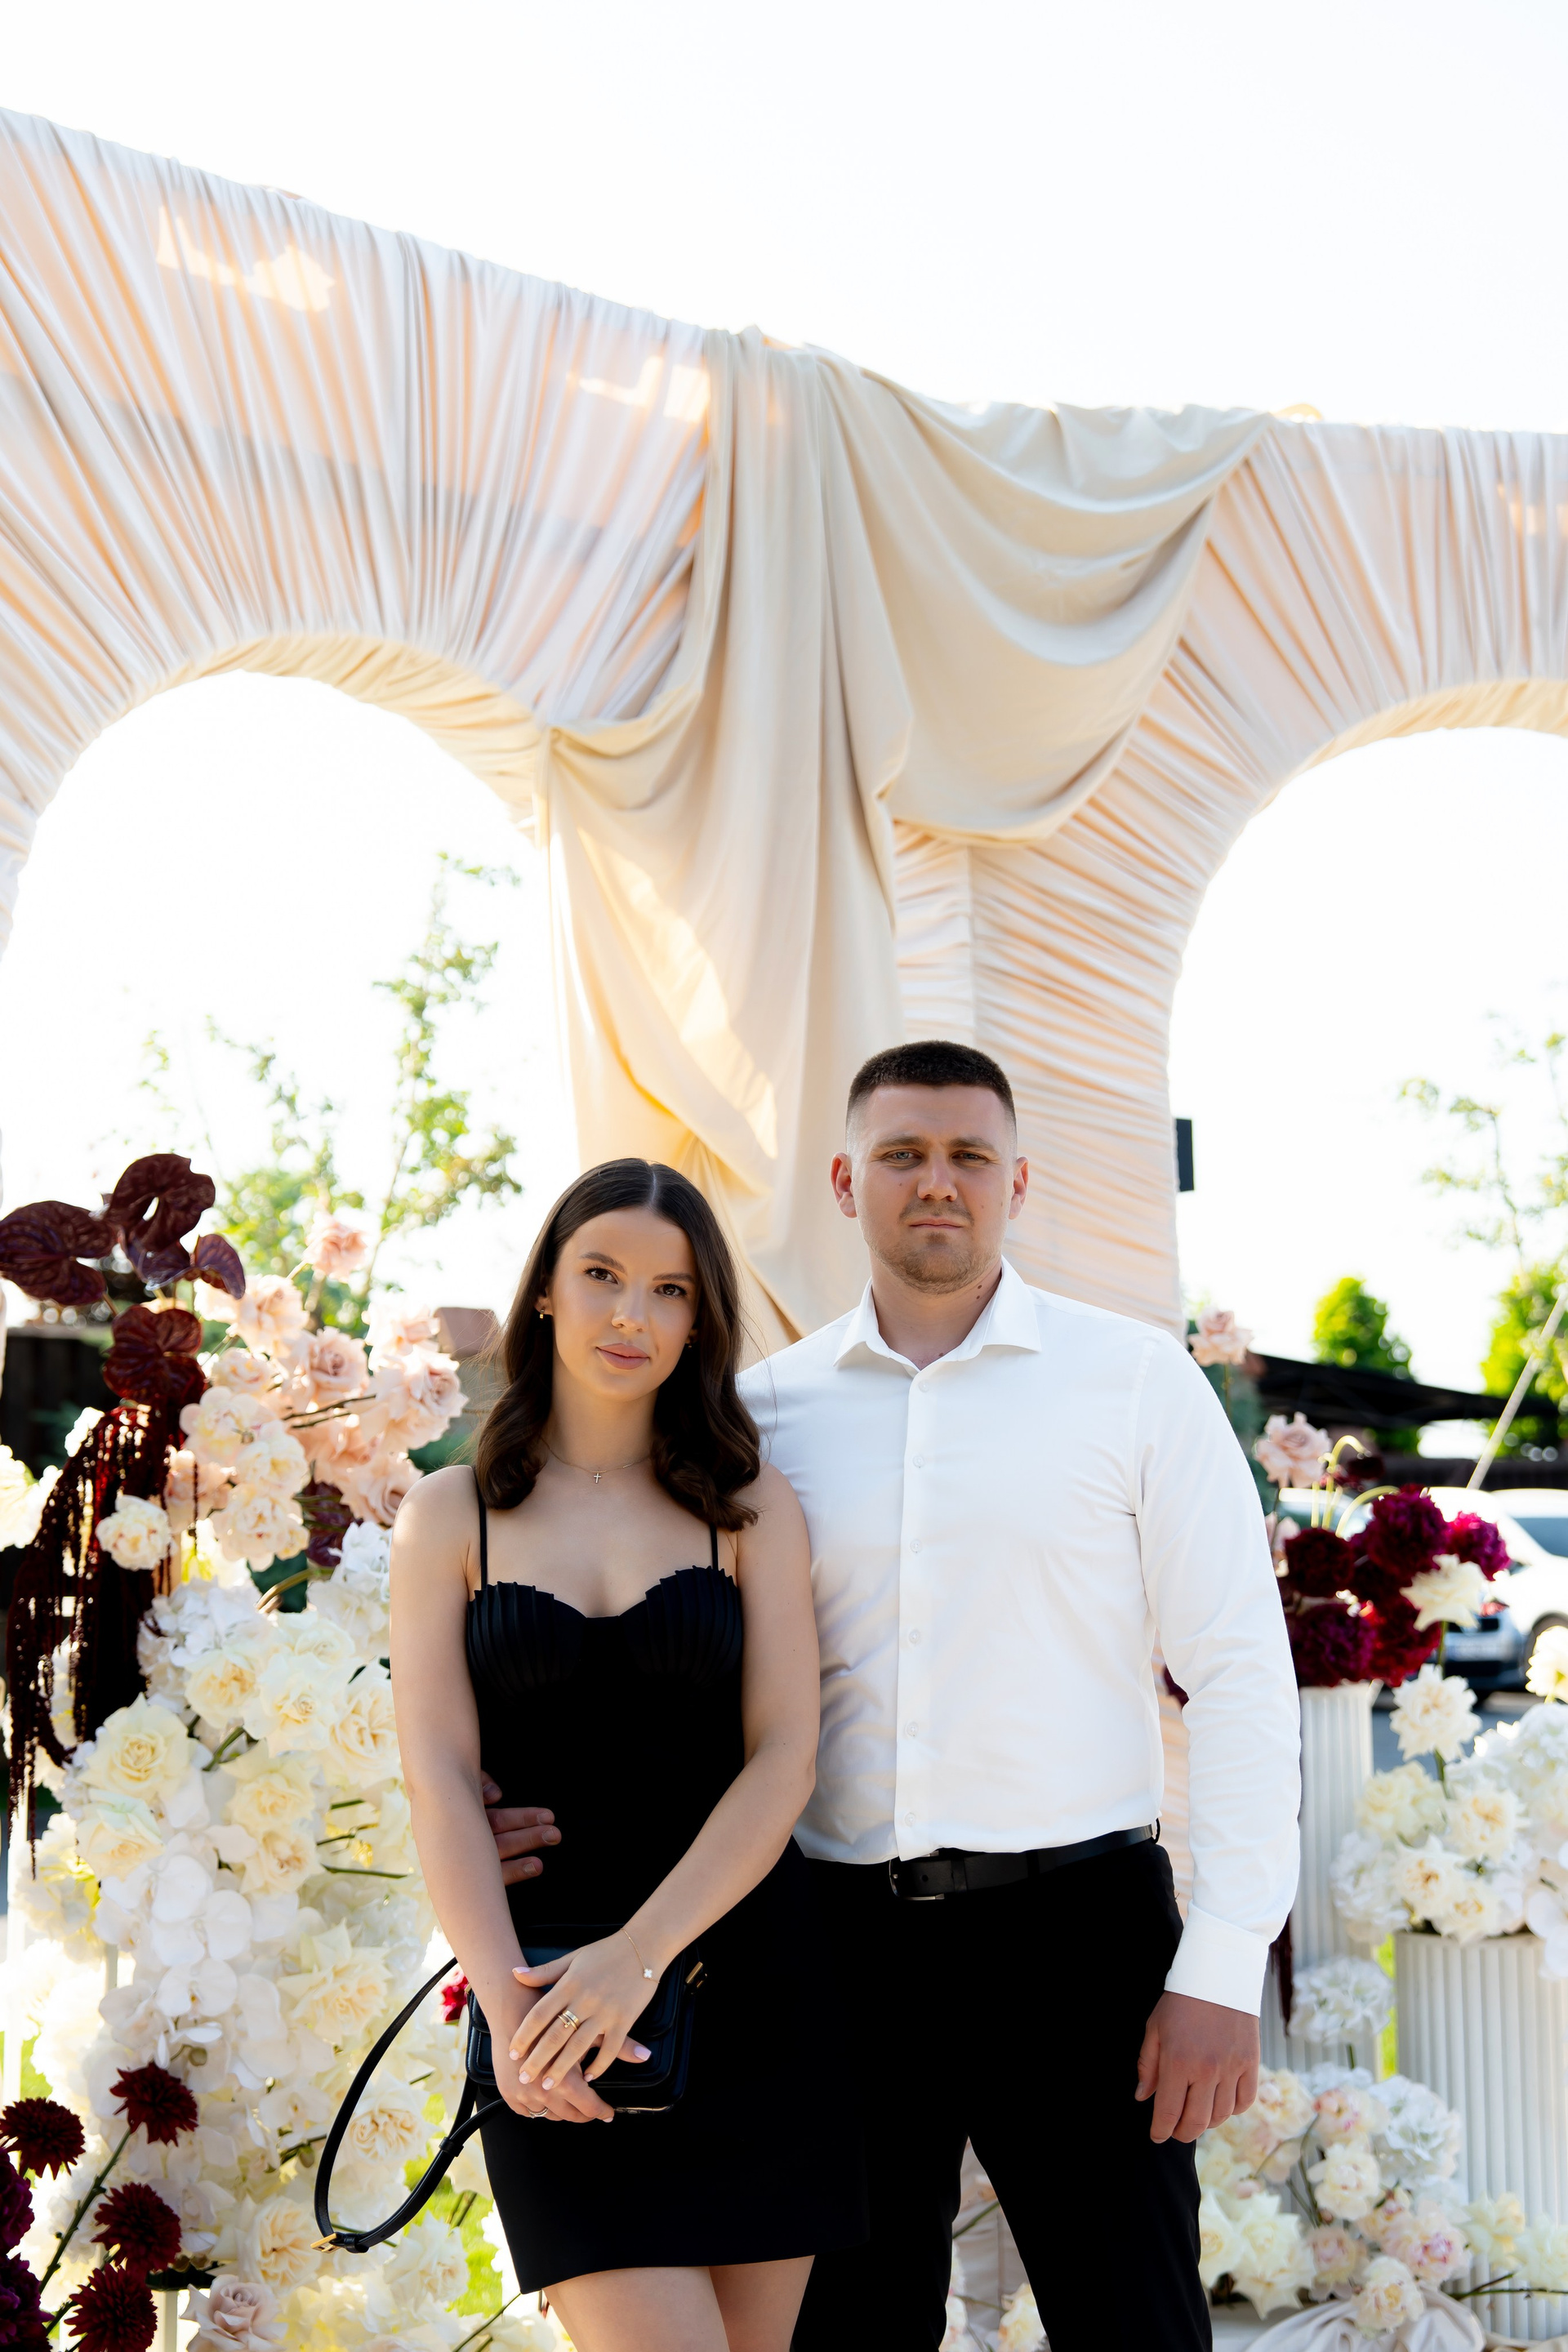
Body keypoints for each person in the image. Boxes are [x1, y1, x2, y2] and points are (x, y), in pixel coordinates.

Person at [483, 1042, 1301, 2352]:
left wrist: (1222, 1966)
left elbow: (1243, 1676)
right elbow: (645, 1643)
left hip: (1080, 1939)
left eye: (969, 1155)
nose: (937, 1182)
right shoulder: (755, 1420)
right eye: (902, 1154)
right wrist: (509, 1788)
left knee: (1137, 2326)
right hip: (829, 1949)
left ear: (1017, 1182)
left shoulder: (1135, 1382)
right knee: (849, 2341)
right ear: (844, 1181)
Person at [390, 1158, 866, 2352]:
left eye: (669, 1290)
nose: (630, 1315)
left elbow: (785, 1760)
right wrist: (505, 2002)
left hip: (755, 1985)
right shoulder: (449, 1515)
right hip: (550, 2007)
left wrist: (641, 1956)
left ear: (699, 1320)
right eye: (601, 1275)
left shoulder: (749, 1504)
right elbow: (437, 1779)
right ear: (546, 1290)